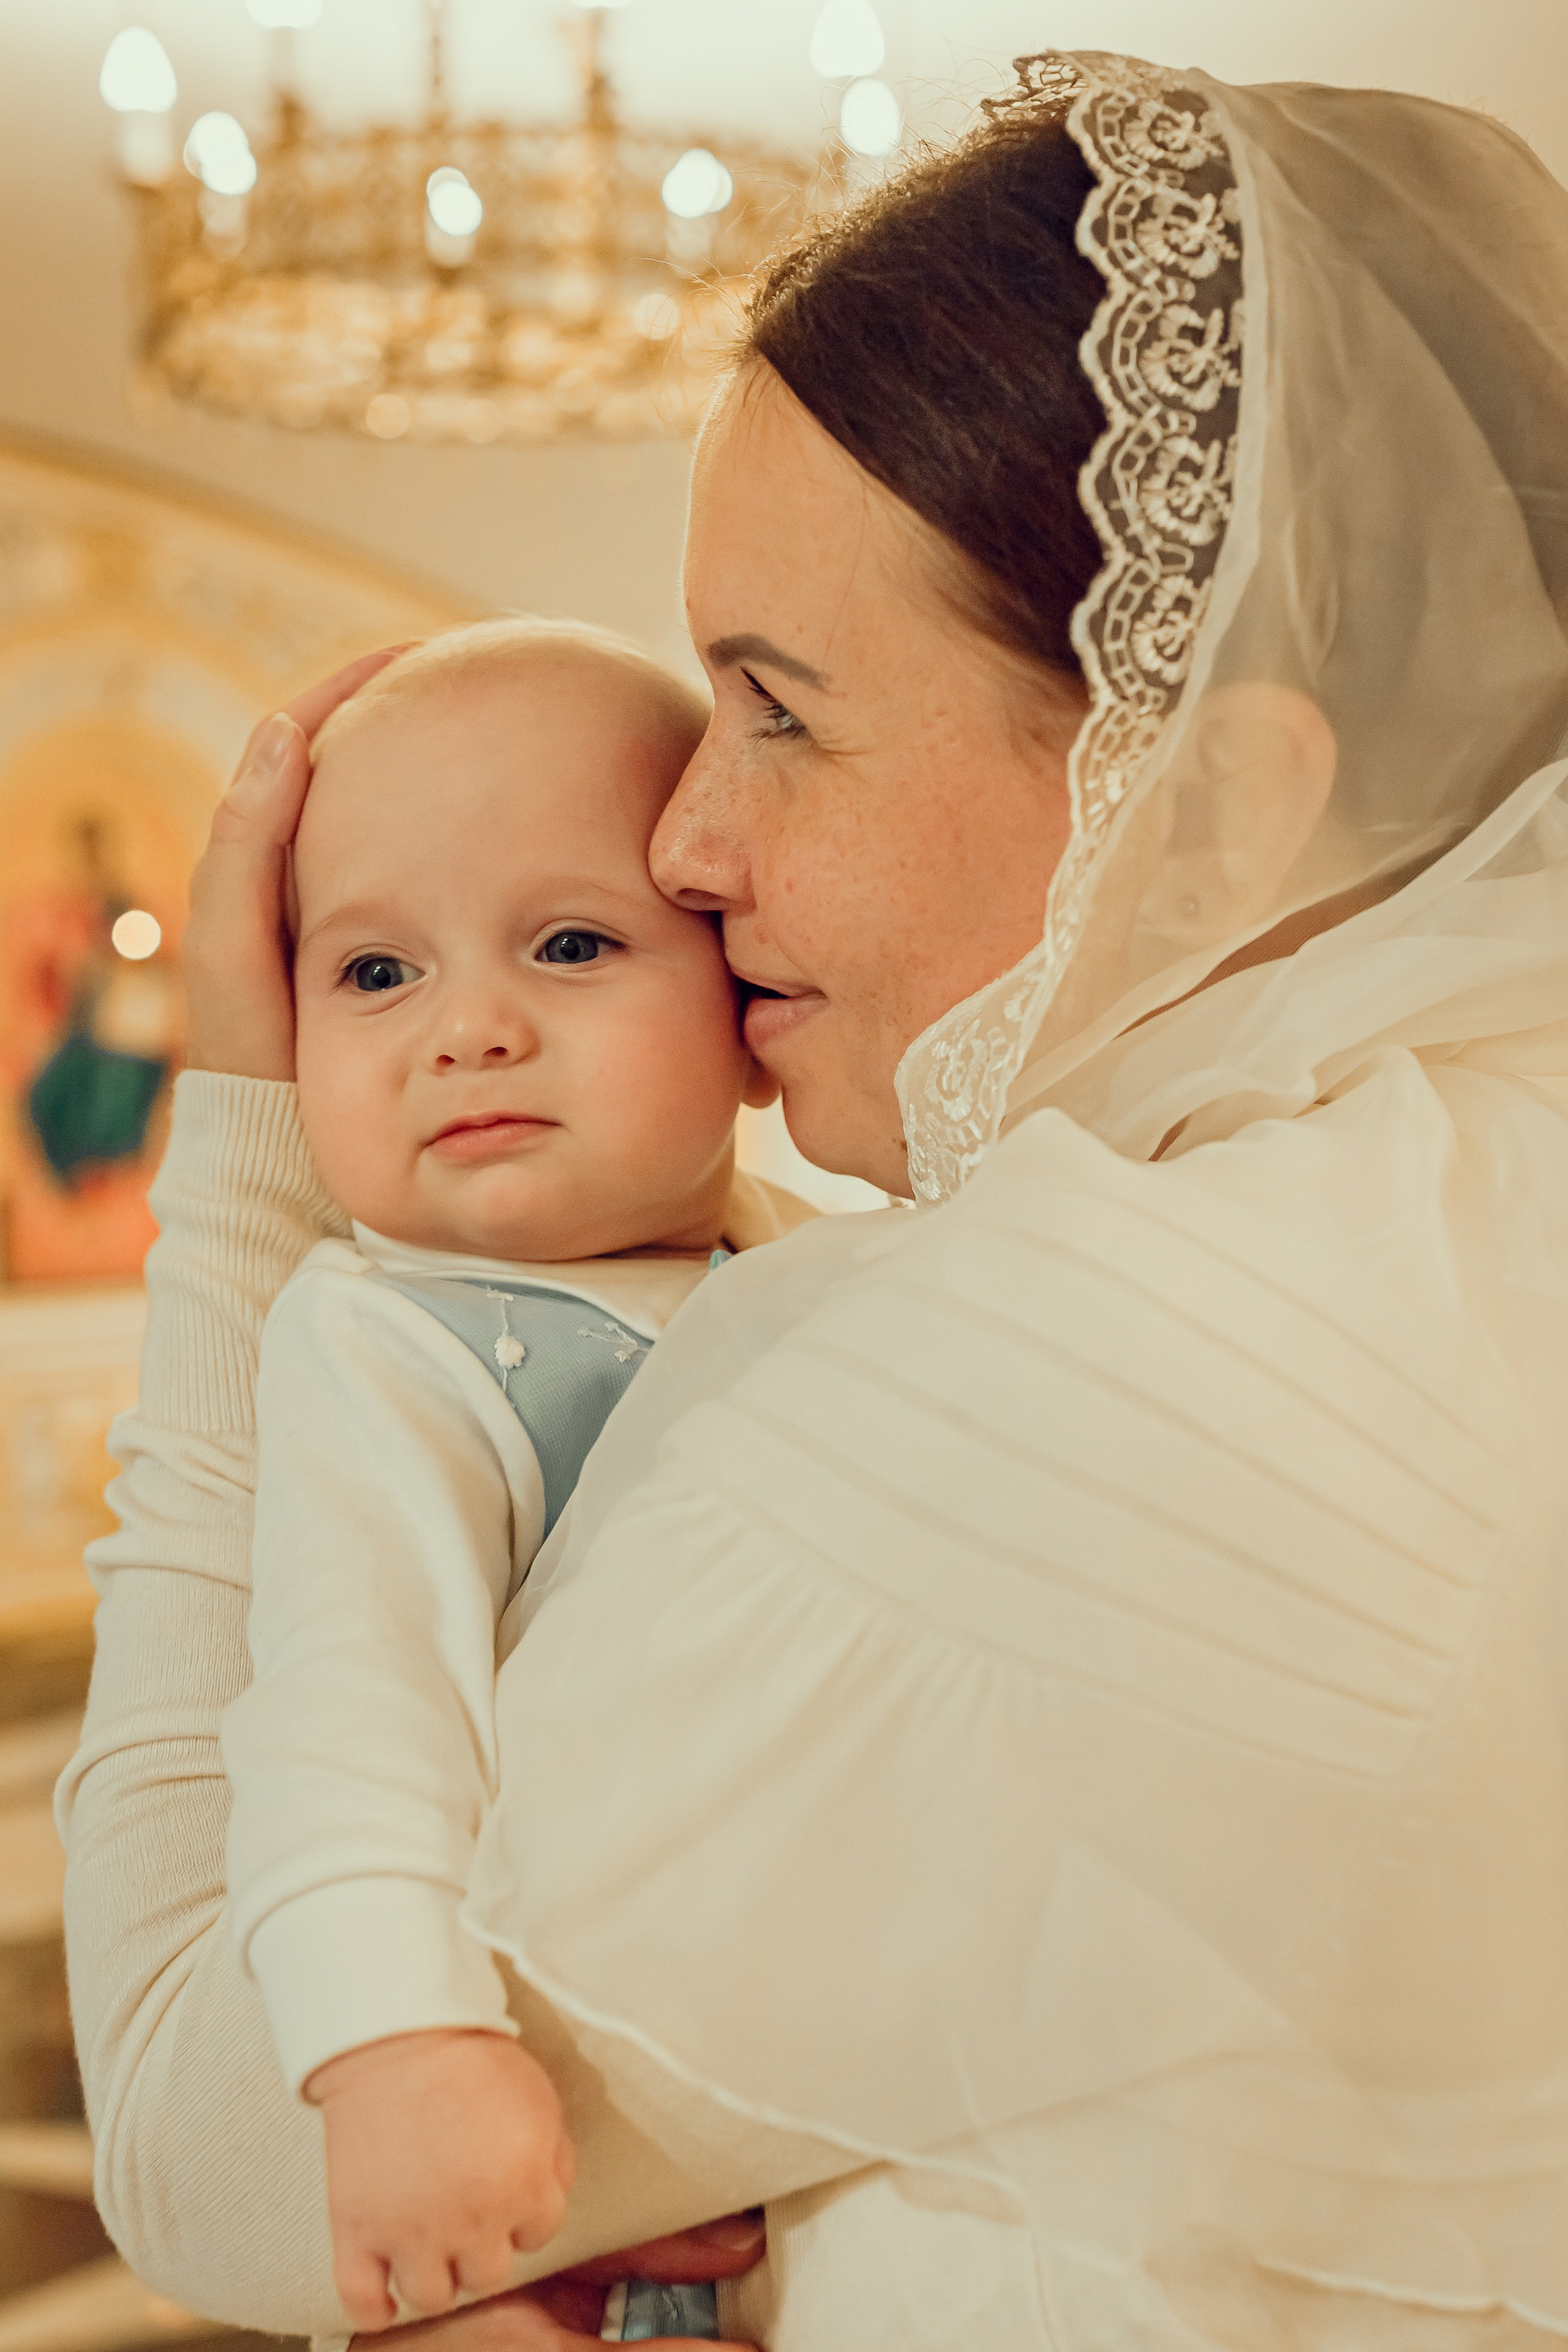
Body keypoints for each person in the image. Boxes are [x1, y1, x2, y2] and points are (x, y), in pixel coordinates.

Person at [59, 48, 1568, 2351]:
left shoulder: (1035, 1393)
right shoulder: (1479, 1201)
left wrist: (267, 1125)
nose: (682, 845)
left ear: (1218, 793)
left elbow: (197, 2120)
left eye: (775, 712)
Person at [221, 620, 800, 2344]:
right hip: (534, 2164)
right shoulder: (391, 1345)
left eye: (567, 944)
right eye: (375, 974)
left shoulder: (817, 1274)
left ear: (749, 1004)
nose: (467, 1028)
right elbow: (344, 1708)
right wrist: (396, 2041)